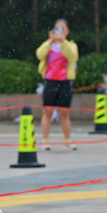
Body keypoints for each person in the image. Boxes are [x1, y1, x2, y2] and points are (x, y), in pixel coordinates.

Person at [36, 18, 78, 150]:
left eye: (62, 28)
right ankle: (46, 140)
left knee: (64, 113)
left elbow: (72, 57)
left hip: (65, 81)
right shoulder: (48, 44)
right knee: (47, 111)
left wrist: (62, 42)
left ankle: (67, 140)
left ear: (67, 31)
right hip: (50, 81)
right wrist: (50, 41)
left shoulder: (71, 45)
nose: (59, 31)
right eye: (57, 28)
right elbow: (39, 54)